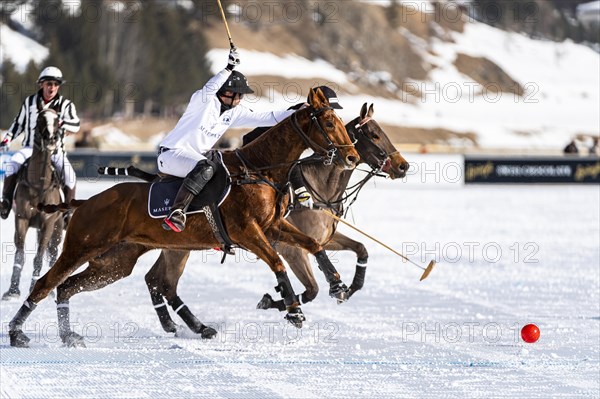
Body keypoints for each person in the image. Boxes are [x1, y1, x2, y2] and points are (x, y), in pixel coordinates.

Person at [158, 48, 296, 233]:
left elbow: (268, 117)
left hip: (194, 159)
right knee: (206, 167)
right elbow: (210, 87)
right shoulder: (203, 102)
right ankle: (176, 212)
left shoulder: (234, 113)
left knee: (226, 171)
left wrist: (297, 112)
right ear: (224, 91)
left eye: (241, 95)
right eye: (236, 93)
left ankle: (215, 226)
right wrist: (228, 68)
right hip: (171, 154)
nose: (239, 98)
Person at [242, 85, 344, 210]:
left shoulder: (312, 118)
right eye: (331, 108)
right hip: (254, 165)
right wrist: (301, 190)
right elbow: (289, 160)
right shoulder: (299, 118)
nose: (332, 113)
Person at [0, 66, 80, 220]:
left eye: (56, 84)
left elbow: (76, 125)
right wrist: (7, 138)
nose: (52, 87)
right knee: (11, 165)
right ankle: (6, 203)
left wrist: (61, 123)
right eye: (49, 83)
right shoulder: (29, 102)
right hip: (30, 148)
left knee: (70, 176)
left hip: (55, 151)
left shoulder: (66, 105)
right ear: (41, 84)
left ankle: (68, 213)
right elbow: (18, 124)